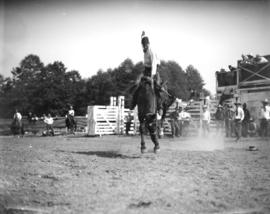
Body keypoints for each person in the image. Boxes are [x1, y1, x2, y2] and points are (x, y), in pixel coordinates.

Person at [130, 31, 164, 114]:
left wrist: (152, 77)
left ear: (148, 44)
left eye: (145, 45)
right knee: (137, 83)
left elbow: (154, 64)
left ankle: (160, 107)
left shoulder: (151, 51)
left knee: (157, 86)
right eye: (143, 45)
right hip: (146, 69)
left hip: (154, 70)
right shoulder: (144, 50)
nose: (144, 46)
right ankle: (133, 102)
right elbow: (142, 40)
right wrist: (142, 36)